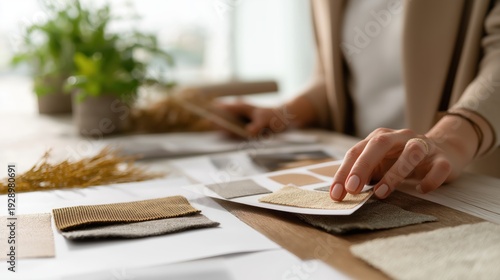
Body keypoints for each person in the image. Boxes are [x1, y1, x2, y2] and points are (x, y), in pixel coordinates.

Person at [218, 0, 500, 201]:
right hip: (373, 183)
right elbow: (334, 79)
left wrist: (453, 137)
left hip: (467, 181)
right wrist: (284, 112)